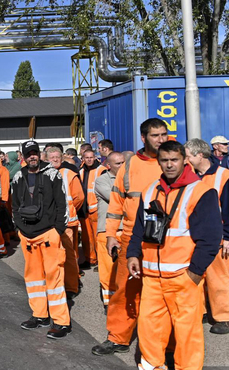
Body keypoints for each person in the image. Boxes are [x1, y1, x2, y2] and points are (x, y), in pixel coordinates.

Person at [126, 140, 221, 369]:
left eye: (174, 160)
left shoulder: (201, 191)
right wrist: (132, 254)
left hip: (183, 277)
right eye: (165, 160)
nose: (169, 165)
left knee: (188, 336)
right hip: (151, 277)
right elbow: (139, 227)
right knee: (149, 331)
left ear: (184, 161)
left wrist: (195, 272)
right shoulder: (151, 190)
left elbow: (210, 238)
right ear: (159, 162)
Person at [92, 118, 168, 356]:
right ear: (144, 138)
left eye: (164, 135)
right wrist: (111, 235)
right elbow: (116, 203)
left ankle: (165, 342)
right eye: (155, 136)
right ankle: (118, 337)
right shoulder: (130, 165)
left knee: (163, 294)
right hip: (131, 238)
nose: (161, 140)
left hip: (165, 241)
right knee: (124, 290)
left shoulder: (173, 162)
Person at [12, 140, 71, 339]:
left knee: (54, 278)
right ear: (23, 156)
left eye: (35, 153)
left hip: (48, 233)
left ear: (40, 154)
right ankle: (39, 315)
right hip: (27, 237)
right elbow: (14, 206)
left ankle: (61, 322)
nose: (32, 157)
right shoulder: (18, 177)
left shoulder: (53, 174)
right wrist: (19, 229)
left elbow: (63, 204)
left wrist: (58, 230)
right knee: (33, 279)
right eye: (28, 154)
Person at [185, 138, 229, 335]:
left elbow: (228, 209)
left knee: (219, 277)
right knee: (195, 274)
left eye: (188, 156)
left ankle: (224, 317)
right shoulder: (190, 176)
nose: (185, 160)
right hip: (192, 235)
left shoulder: (223, 176)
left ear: (199, 155)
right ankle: (201, 311)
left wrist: (227, 236)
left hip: (216, 235)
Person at [47, 146, 84, 297]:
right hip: (50, 223)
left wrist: (70, 211)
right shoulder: (44, 174)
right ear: (47, 159)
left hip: (67, 222)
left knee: (69, 255)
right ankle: (57, 283)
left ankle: (71, 287)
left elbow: (79, 198)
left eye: (57, 157)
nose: (55, 159)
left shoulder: (69, 174)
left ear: (62, 157)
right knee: (54, 256)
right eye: (52, 157)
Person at [94, 151, 125, 311]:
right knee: (108, 270)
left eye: (123, 162)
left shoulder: (130, 178)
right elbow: (117, 199)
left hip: (125, 229)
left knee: (126, 268)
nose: (122, 166)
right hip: (106, 231)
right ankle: (110, 301)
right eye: (118, 163)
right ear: (108, 165)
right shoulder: (101, 180)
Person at [79, 149, 107, 269]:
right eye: (87, 158)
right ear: (83, 159)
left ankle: (101, 261)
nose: (89, 160)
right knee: (86, 237)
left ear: (95, 158)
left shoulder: (102, 170)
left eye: (91, 157)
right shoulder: (80, 172)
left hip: (97, 208)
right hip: (85, 209)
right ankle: (90, 259)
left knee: (98, 238)